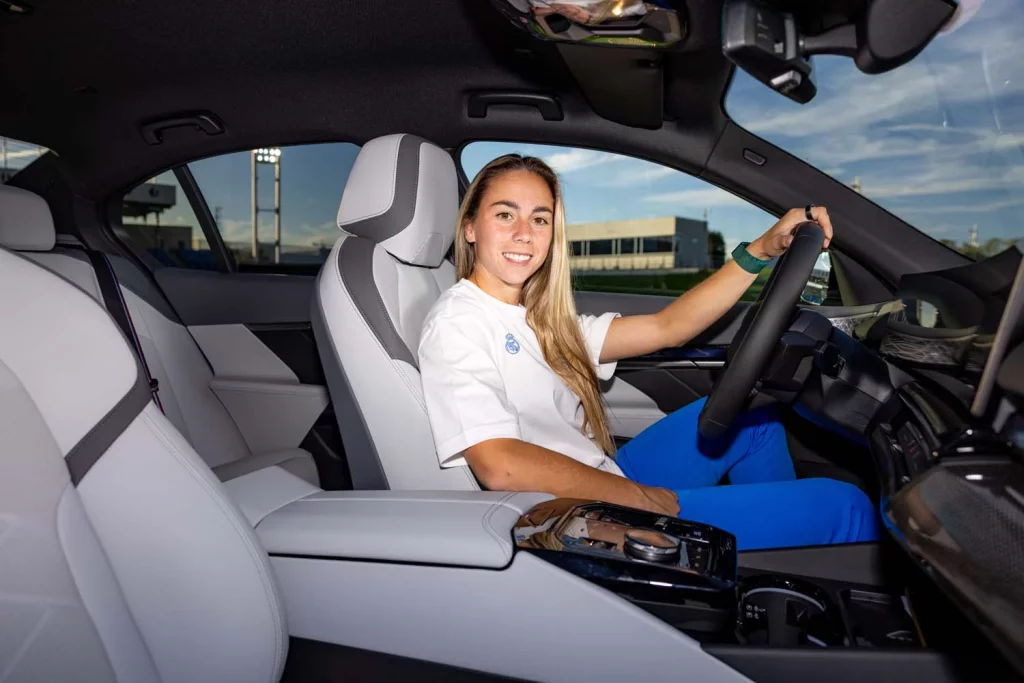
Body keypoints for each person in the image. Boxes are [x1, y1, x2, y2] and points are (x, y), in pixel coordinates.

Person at [418, 154, 880, 551]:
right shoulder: (459, 321)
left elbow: (670, 326)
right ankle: (776, 546)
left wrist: (760, 250)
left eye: (539, 218)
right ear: (470, 228)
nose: (524, 232)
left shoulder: (540, 319)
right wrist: (637, 498)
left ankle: (762, 557)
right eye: (505, 214)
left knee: (754, 420)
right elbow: (500, 464)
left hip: (601, 473)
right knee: (848, 507)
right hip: (571, 513)